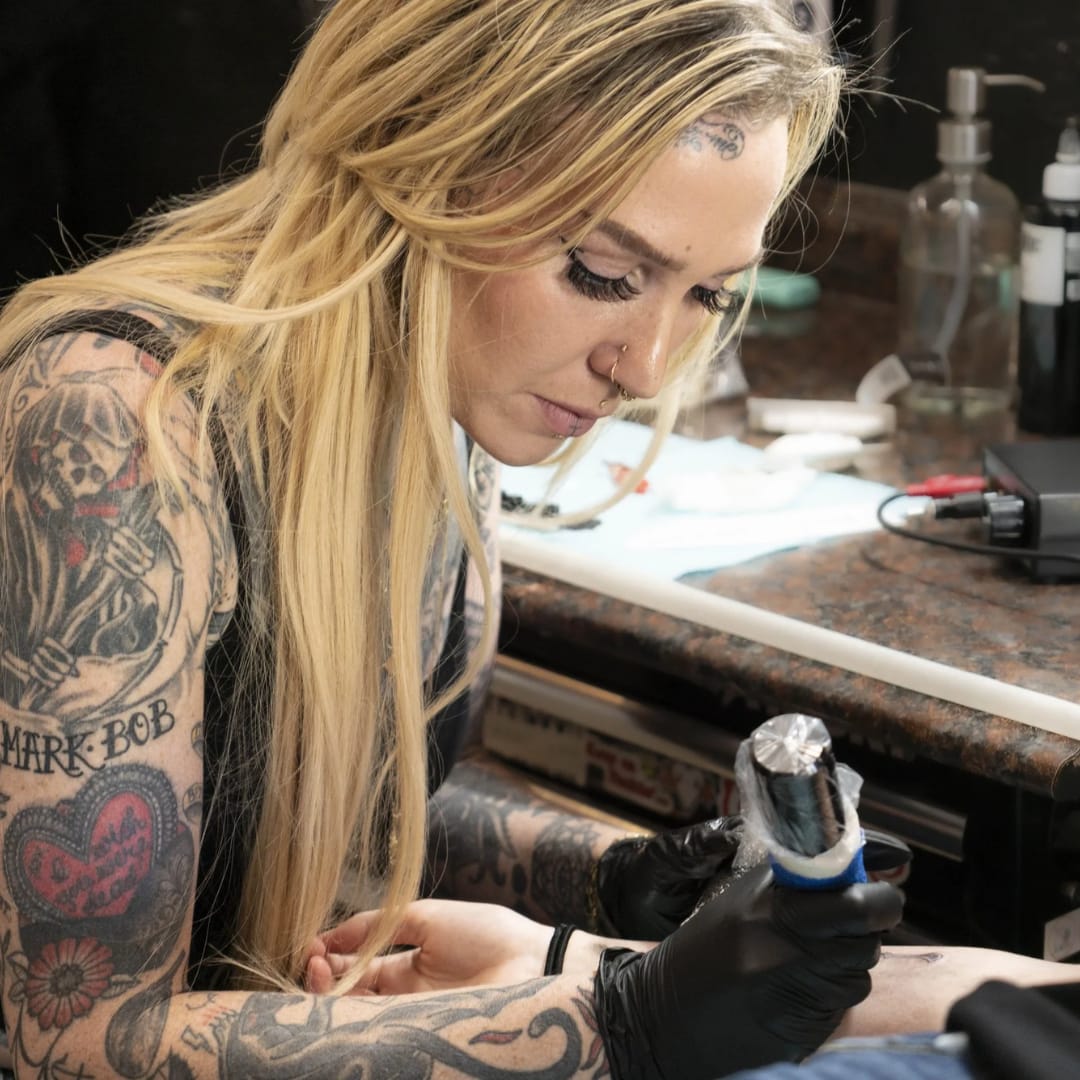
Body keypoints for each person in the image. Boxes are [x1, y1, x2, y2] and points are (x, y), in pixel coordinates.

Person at [0, 1, 904, 1077]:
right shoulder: (115, 427)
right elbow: (69, 1041)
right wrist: (623, 1023)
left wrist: (612, 877)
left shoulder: (451, 391)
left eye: (706, 292)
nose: (645, 366)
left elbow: (336, 818)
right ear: (418, 164)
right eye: (602, 273)